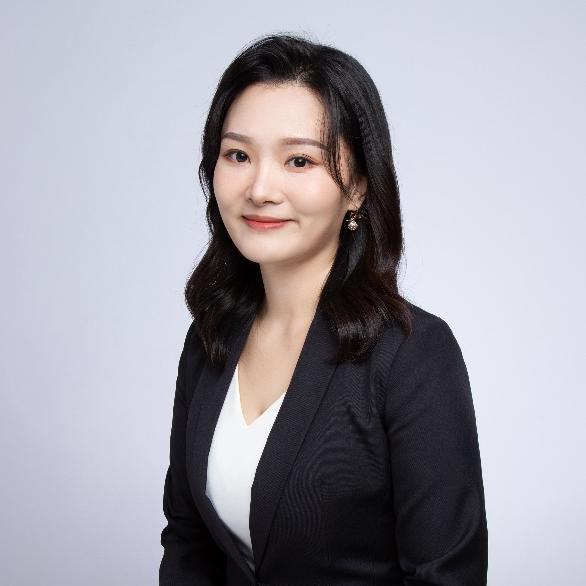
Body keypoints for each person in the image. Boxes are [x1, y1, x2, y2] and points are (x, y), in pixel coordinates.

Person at [159, 32, 488, 586]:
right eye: (238, 155)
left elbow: (446, 575)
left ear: (356, 186)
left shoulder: (413, 355)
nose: (260, 188)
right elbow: (188, 541)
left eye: (299, 160)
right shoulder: (211, 336)